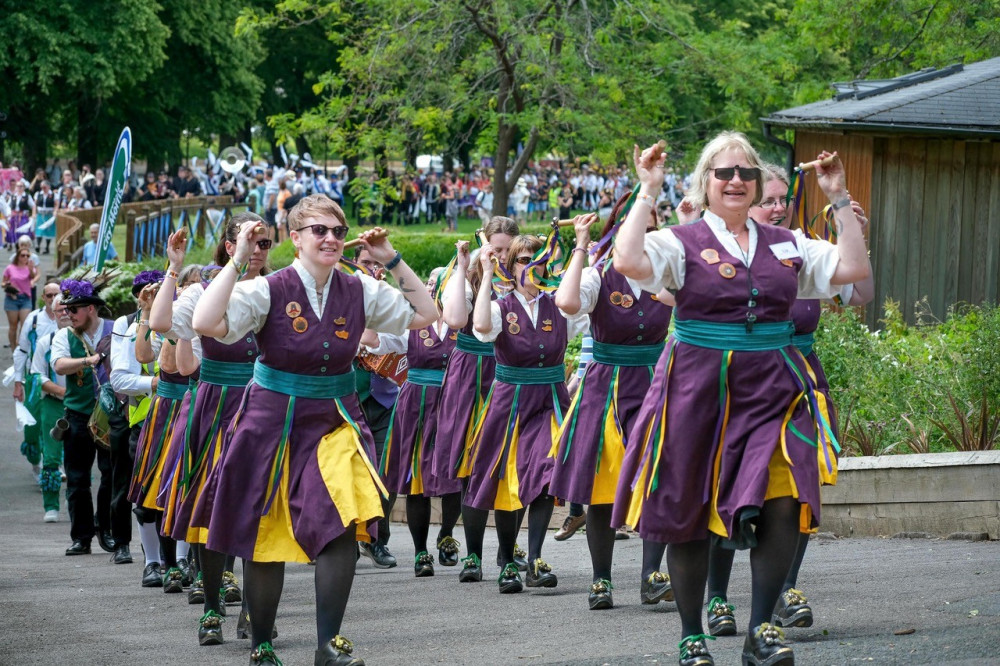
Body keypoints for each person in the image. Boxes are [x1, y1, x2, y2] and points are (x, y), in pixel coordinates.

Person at [611, 133, 871, 666]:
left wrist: (838, 198)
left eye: (746, 174)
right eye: (724, 173)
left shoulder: (786, 243)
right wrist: (648, 190)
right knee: (686, 506)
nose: (735, 181)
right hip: (694, 388)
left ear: (757, 185)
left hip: (774, 389)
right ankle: (691, 635)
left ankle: (760, 632)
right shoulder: (679, 240)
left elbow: (853, 271)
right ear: (705, 183)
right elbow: (628, 261)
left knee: (785, 497)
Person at [190, 195, 438, 666]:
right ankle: (262, 643)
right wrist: (240, 258)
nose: (330, 238)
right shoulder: (266, 289)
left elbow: (426, 315)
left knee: (342, 522)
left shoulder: (360, 289)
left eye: (337, 231)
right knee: (264, 532)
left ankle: (328, 645)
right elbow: (206, 322)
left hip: (334, 421)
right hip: (270, 419)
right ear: (296, 238)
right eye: (319, 230)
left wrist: (391, 258)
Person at [704, 163, 874, 638]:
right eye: (769, 199)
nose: (778, 207)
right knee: (730, 490)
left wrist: (854, 236)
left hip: (799, 383)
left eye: (783, 199)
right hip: (738, 382)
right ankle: (717, 598)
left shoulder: (799, 248)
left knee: (799, 489)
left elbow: (861, 292)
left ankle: (785, 589)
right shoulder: (725, 249)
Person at [149, 215, 269, 645]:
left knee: (260, 511)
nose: (258, 249)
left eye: (265, 242)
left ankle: (256, 612)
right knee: (211, 507)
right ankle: (212, 609)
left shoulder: (278, 292)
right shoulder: (203, 290)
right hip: (214, 408)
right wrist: (173, 267)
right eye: (250, 241)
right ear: (228, 243)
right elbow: (161, 323)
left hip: (263, 408)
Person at [551, 204, 675, 611]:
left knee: (656, 481)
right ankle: (601, 580)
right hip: (606, 390)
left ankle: (650, 577)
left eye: (654, 229)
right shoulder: (598, 275)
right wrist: (582, 247)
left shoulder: (668, 277)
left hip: (655, 385)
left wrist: (691, 226)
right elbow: (567, 303)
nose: (646, 237)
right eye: (638, 228)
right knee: (603, 492)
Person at [464, 234, 588, 594]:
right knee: (508, 482)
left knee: (548, 474)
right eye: (522, 260)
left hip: (550, 398)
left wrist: (580, 247)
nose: (531, 266)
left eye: (538, 260)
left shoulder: (560, 306)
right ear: (510, 266)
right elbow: (482, 329)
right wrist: (487, 275)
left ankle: (534, 559)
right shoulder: (501, 305)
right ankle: (506, 561)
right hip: (511, 402)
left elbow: (594, 321)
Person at [437, 216, 519, 582]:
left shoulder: (525, 279)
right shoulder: (468, 275)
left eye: (506, 250)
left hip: (510, 374)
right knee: (472, 462)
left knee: (507, 463)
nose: (500, 256)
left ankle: (507, 552)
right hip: (472, 371)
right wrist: (467, 265)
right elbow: (454, 319)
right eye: (495, 248)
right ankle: (473, 555)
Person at [378, 267, 462, 577]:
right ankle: (420, 551)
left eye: (435, 283)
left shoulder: (460, 322)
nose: (429, 288)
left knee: (453, 472)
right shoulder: (410, 321)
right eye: (426, 283)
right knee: (416, 479)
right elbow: (379, 342)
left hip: (453, 401)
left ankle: (447, 534)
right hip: (415, 403)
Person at [50, 278, 116, 556]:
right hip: (77, 415)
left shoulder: (115, 330)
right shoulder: (63, 336)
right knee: (77, 480)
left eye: (73, 309)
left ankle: (106, 528)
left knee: (111, 475)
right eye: (66, 310)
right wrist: (87, 361)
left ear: (91, 308)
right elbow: (59, 365)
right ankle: (81, 536)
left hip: (110, 414)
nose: (68, 314)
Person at [109, 272, 163, 572]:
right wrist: (156, 383)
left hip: (183, 416)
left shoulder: (181, 317)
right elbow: (119, 377)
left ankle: (179, 561)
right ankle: (151, 562)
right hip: (143, 422)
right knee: (143, 494)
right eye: (146, 292)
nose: (153, 296)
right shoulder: (126, 324)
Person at [353, 247, 402, 570]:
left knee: (385, 474)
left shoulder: (389, 299)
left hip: (385, 397)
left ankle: (377, 540)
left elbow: (402, 337)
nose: (371, 267)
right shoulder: (336, 294)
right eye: (365, 262)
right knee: (342, 472)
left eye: (376, 262)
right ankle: (335, 539)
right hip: (346, 398)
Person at [12, 282, 61, 486]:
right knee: (32, 427)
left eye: (55, 295)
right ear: (43, 297)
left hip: (59, 378)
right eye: (48, 295)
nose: (52, 298)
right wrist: (17, 383)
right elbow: (22, 351)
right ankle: (34, 459)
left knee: (58, 423)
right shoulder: (33, 319)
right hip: (34, 380)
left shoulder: (67, 319)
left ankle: (54, 464)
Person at [28, 292, 70, 522]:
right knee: (51, 457)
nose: (65, 313)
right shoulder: (46, 342)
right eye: (60, 310)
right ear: (53, 314)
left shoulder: (85, 341)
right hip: (53, 404)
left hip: (81, 406)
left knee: (79, 457)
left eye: (68, 309)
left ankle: (73, 500)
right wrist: (62, 392)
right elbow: (37, 375)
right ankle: (51, 505)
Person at [4, 244, 39, 351]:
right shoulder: (10, 268)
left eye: (27, 256)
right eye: (23, 255)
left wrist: (31, 269)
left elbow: (33, 278)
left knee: (25, 325)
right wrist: (7, 284)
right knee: (13, 326)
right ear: (18, 256)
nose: (25, 258)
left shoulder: (30, 268)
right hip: (12, 298)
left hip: (25, 298)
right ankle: (13, 348)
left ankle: (20, 346)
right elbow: (3, 282)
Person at [34, 180, 58, 254]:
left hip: (49, 214)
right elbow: (35, 205)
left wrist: (55, 212)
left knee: (48, 231)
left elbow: (56, 204)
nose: (43, 188)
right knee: (39, 230)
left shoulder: (53, 195)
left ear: (48, 187)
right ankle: (38, 245)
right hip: (41, 214)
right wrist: (34, 213)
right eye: (42, 187)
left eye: (44, 187)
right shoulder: (38, 194)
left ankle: (47, 247)